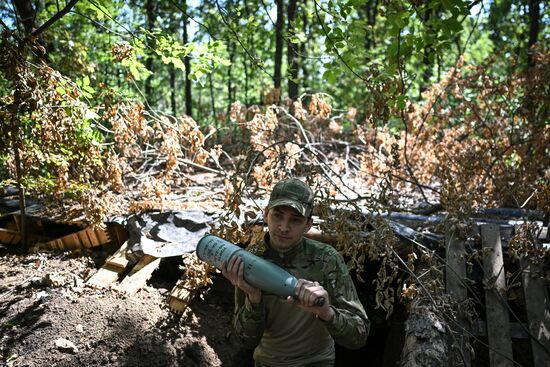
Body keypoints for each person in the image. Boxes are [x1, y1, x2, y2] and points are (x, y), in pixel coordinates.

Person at [222, 178, 370, 367]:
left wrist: (327, 313)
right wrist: (253, 298)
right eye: (277, 216)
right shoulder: (250, 260)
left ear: (308, 224)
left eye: (295, 220)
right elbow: (246, 341)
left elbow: (359, 335)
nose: (283, 227)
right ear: (266, 214)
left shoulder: (326, 260)